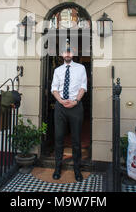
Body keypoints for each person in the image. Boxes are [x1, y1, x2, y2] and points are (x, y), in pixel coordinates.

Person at [51, 46, 87, 182]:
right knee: (59, 138)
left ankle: (77, 170)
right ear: (61, 54)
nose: (67, 54)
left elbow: (83, 87)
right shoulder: (57, 70)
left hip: (75, 106)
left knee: (76, 140)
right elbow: (54, 88)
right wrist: (60, 100)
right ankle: (57, 168)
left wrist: (76, 101)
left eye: (69, 52)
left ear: (73, 54)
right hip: (60, 107)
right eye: (65, 52)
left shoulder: (80, 68)